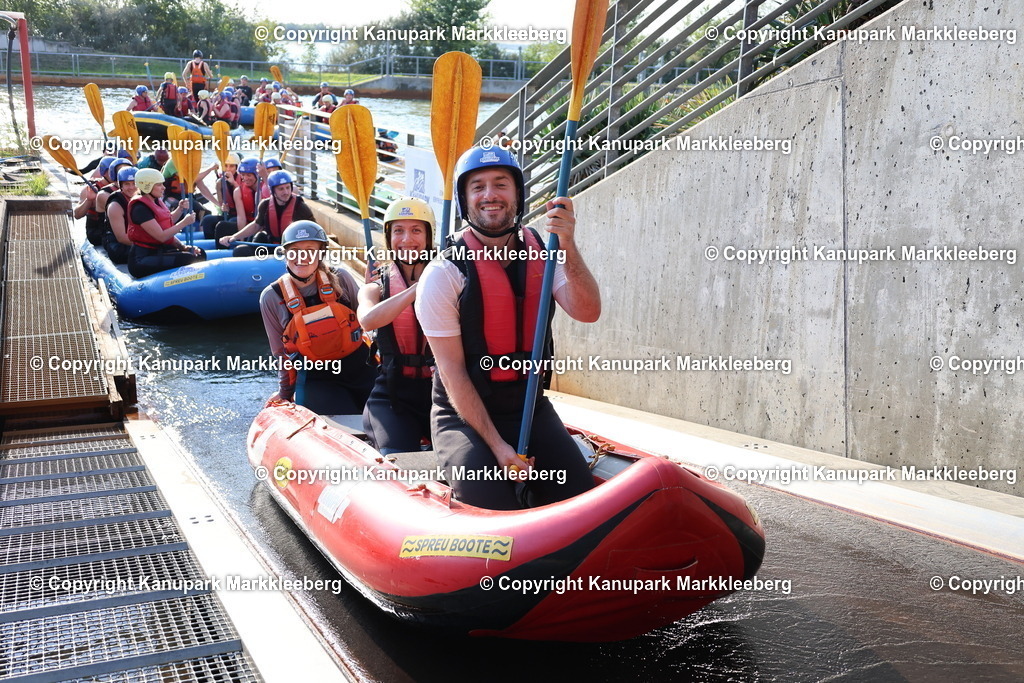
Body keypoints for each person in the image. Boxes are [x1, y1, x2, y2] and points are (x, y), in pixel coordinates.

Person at [415, 146, 601, 510]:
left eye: (501, 184)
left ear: (518, 194)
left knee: (582, 501)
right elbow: (453, 374)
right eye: (478, 187)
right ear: (465, 200)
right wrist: (501, 449)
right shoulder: (443, 275)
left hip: (530, 407)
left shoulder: (544, 253)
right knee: (495, 509)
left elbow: (588, 311)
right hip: (463, 417)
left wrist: (568, 243)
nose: (490, 195)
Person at [259, 221, 377, 413]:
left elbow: (370, 322)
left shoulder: (342, 279)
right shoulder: (271, 297)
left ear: (320, 253)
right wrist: (285, 393)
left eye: (310, 250)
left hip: (361, 367)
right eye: (294, 250)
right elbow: (281, 354)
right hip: (317, 378)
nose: (302, 257)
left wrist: (375, 290)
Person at [359, 198, 436, 454]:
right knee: (397, 458)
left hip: (443, 395)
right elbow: (368, 320)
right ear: (389, 237)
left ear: (428, 236)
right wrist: (417, 289)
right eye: (398, 231)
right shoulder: (375, 287)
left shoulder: (449, 278)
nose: (407, 239)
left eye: (416, 230)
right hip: (392, 396)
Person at [126, 168, 204, 278]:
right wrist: (184, 223)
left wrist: (180, 209)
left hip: (159, 251)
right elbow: (161, 236)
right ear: (147, 186)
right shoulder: (140, 208)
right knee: (189, 259)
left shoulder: (156, 200)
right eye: (159, 185)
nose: (164, 188)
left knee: (199, 254)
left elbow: (167, 221)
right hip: (141, 260)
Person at [219, 170, 313, 255]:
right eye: (281, 189)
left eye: (288, 188)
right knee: (241, 250)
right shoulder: (265, 204)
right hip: (272, 246)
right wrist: (234, 237)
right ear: (272, 191)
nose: (286, 192)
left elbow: (313, 229)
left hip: (292, 250)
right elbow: (256, 225)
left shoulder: (300, 206)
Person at [101, 165, 137, 264]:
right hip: (118, 248)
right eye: (127, 184)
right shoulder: (115, 205)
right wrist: (152, 244)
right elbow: (122, 238)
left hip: (137, 242)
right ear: (120, 185)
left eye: (134, 183)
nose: (132, 187)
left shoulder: (143, 197)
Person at [202, 152, 240, 239]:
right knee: (207, 220)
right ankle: (211, 245)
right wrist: (223, 207)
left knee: (227, 223)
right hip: (229, 214)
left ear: (237, 167)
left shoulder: (242, 180)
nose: (228, 169)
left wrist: (233, 183)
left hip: (241, 216)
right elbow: (221, 204)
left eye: (232, 166)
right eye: (226, 166)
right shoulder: (219, 183)